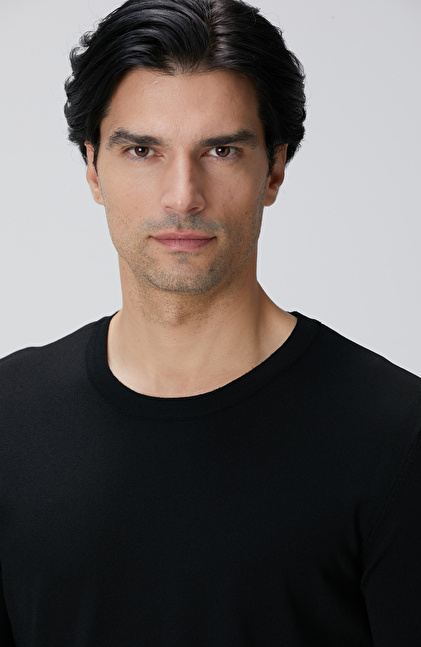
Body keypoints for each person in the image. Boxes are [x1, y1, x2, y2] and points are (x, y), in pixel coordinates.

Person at [0, 0, 420, 644]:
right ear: (93, 167)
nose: (182, 196)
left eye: (221, 150)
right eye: (142, 150)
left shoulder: (397, 437)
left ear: (274, 169)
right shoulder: (10, 417)